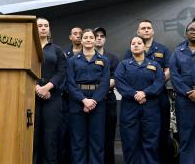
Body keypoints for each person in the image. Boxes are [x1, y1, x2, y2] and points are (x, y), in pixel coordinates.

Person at [124, 19, 171, 164]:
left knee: (160, 132)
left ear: (153, 31)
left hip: (158, 96)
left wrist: (150, 90)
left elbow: (168, 70)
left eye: (148, 28)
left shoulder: (163, 50)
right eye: (143, 28)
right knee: (135, 135)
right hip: (135, 99)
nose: (146, 30)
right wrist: (139, 94)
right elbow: (126, 72)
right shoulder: (130, 51)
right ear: (138, 32)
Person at [115, 36, 165, 163]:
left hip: (150, 107)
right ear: (130, 47)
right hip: (130, 107)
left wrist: (144, 93)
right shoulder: (123, 65)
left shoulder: (154, 65)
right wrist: (135, 94)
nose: (136, 45)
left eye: (139, 43)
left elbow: (159, 83)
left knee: (151, 142)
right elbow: (120, 83)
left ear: (144, 46)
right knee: (130, 142)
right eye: (133, 43)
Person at [67, 29, 110, 164]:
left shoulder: (104, 60)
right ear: (82, 40)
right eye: (85, 37)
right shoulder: (73, 60)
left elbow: (105, 82)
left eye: (91, 37)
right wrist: (84, 100)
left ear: (94, 40)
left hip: (98, 101)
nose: (89, 39)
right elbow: (70, 82)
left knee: (97, 140)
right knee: (78, 140)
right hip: (77, 100)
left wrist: (93, 101)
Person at [170, 21, 195, 164]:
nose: (194, 32)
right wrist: (188, 92)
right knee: (187, 137)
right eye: (191, 29)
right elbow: (174, 75)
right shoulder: (177, 52)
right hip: (184, 101)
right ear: (186, 33)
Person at [33, 18, 67, 164]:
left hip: (52, 97)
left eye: (46, 25)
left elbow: (61, 72)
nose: (43, 28)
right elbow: (24, 70)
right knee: (33, 136)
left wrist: (47, 88)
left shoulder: (57, 50)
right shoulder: (29, 47)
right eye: (39, 26)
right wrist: (36, 88)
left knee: (50, 137)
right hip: (31, 96)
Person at [93, 27, 119, 164]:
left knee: (109, 138)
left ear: (105, 39)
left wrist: (97, 89)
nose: (99, 38)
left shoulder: (112, 58)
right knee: (94, 138)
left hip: (108, 101)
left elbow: (115, 78)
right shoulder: (85, 57)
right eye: (96, 35)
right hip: (90, 102)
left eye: (102, 36)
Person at [58, 26, 83, 164]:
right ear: (70, 37)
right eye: (75, 34)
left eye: (80, 33)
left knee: (78, 136)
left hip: (81, 99)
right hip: (66, 98)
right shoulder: (63, 53)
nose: (78, 36)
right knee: (64, 133)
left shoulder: (89, 53)